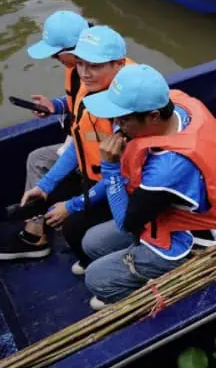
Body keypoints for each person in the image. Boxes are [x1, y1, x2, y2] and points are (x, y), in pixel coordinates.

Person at [80, 64, 216, 311]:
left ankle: (140, 289)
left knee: (96, 278)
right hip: (171, 210)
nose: (117, 125)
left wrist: (110, 168)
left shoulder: (168, 168)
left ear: (153, 116)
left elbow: (126, 223)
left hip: (194, 236)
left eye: (123, 118)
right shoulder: (178, 104)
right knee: (91, 242)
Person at [0, 25, 135, 275]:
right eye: (80, 64)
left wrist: (72, 207)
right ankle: (87, 254)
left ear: (117, 65)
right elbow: (80, 141)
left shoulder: (129, 107)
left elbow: (122, 173)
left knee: (75, 226)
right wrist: (45, 185)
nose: (83, 72)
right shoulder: (90, 86)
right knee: (51, 197)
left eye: (92, 66)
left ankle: (117, 266)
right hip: (96, 173)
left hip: (123, 185)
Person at [0, 10, 90, 261]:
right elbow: (78, 103)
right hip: (81, 143)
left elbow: (91, 133)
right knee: (37, 158)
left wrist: (68, 205)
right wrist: (56, 106)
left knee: (40, 160)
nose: (53, 58)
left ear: (73, 49)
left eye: (55, 52)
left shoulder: (96, 74)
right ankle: (35, 229)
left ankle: (35, 235)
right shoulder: (79, 67)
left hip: (98, 156)